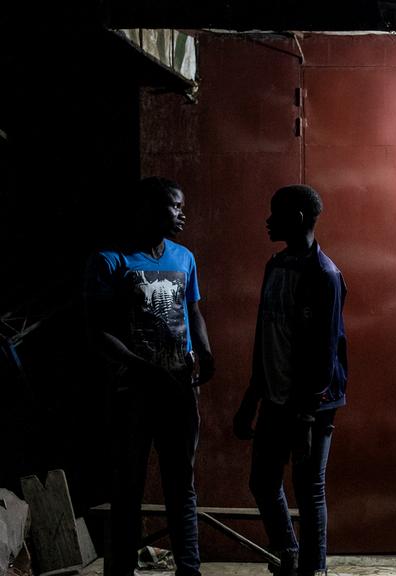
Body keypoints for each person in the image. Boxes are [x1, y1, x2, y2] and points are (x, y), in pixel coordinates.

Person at [85, 176, 215, 576]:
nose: (181, 214)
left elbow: (193, 311)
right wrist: (142, 367)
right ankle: (121, 570)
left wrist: (205, 351)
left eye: (181, 206)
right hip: (132, 394)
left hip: (178, 390)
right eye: (174, 206)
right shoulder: (110, 260)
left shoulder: (184, 257)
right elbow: (97, 330)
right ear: (147, 210)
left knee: (182, 486)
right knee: (128, 487)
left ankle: (189, 569)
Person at [233, 185, 348, 576]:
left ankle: (313, 569)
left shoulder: (325, 274)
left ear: (297, 219)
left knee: (308, 487)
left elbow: (325, 351)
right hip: (275, 397)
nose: (268, 221)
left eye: (275, 214)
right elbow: (264, 334)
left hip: (310, 404)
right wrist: (252, 397)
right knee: (263, 481)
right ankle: (291, 555)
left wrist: (306, 414)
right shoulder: (276, 266)